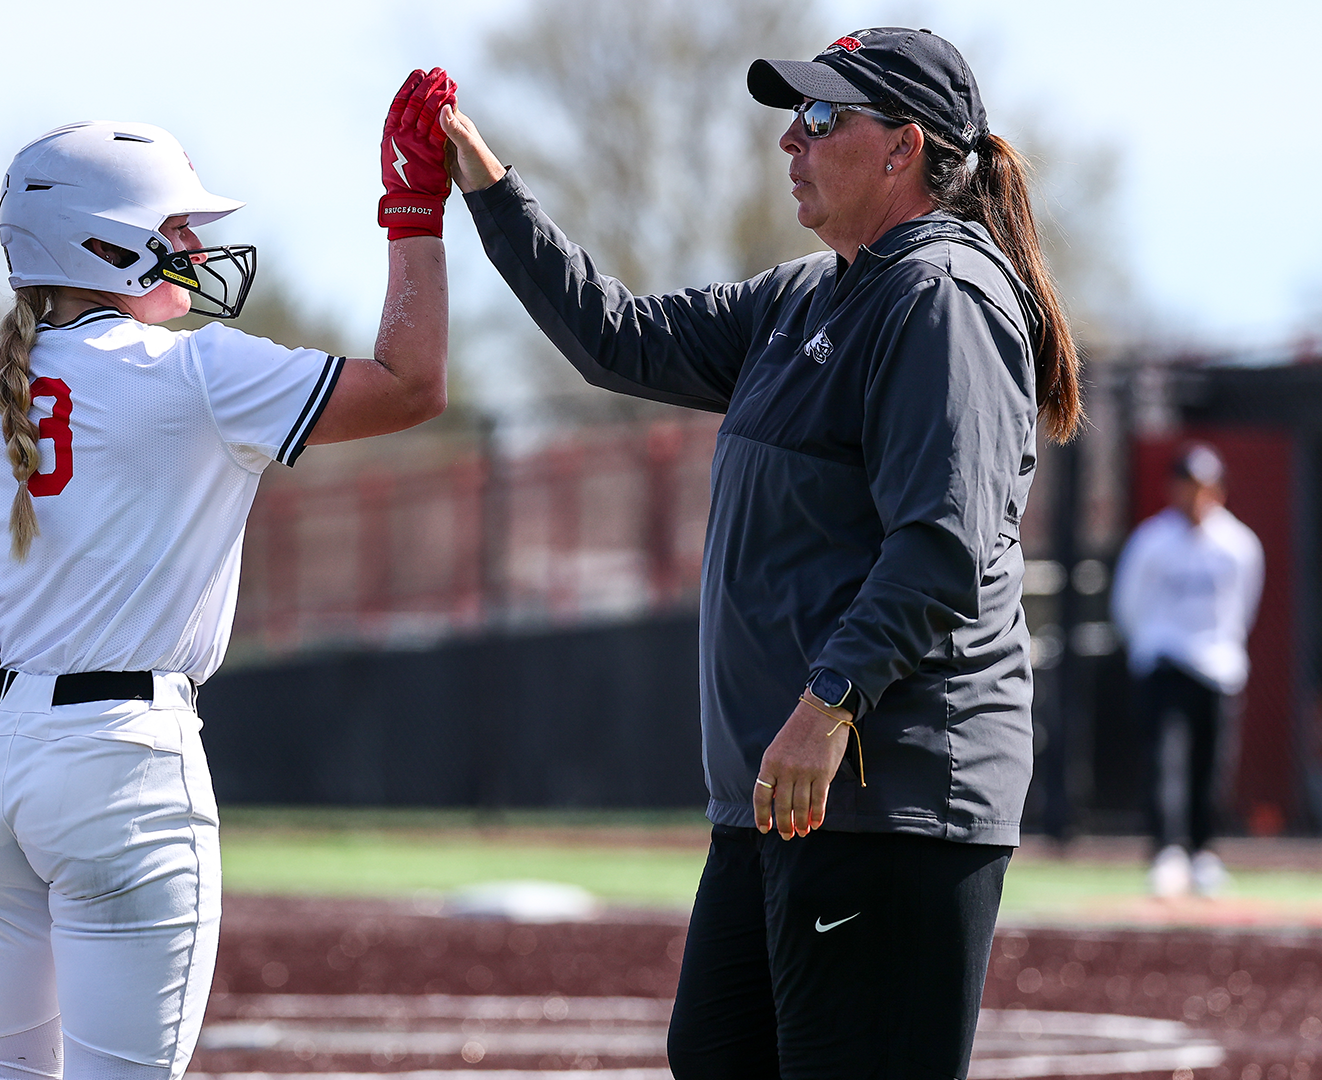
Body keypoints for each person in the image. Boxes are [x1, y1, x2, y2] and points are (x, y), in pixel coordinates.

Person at [0, 70, 457, 1080]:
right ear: (108, 242)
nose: (197, 248)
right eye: (175, 228)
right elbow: (413, 384)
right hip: (122, 762)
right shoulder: (196, 374)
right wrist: (412, 214)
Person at [441, 27, 1079, 1080]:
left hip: (887, 797)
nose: (789, 141)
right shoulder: (806, 294)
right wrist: (485, 180)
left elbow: (942, 545)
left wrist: (827, 704)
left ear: (900, 148)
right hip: (782, 800)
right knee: (715, 1057)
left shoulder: (942, 297)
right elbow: (618, 336)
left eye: (820, 118)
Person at [1111, 442, 1264, 898]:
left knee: (1211, 766)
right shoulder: (1151, 541)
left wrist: (1223, 653)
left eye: (1203, 487)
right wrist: (1151, 648)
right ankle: (1167, 853)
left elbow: (1244, 606)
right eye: (1186, 486)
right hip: (1165, 666)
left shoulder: (1238, 545)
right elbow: (1128, 605)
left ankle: (1204, 854)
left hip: (1217, 669)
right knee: (1166, 763)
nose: (1195, 497)